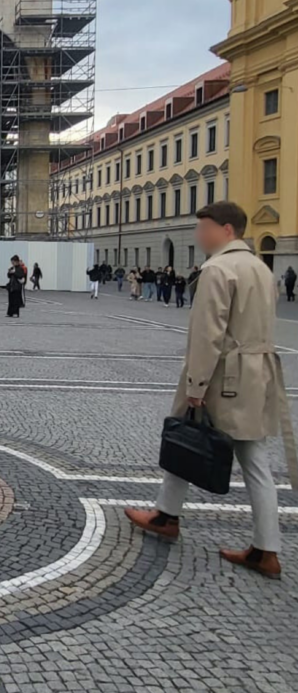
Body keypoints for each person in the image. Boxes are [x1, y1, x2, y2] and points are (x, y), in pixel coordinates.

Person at [125, 201, 297, 579]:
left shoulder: (218, 269)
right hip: (258, 373)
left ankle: (167, 516)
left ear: (227, 230)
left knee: (184, 436)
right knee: (254, 462)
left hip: (223, 375)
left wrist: (197, 386)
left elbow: (207, 335)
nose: (200, 235)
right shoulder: (259, 268)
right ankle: (265, 548)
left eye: (204, 228)